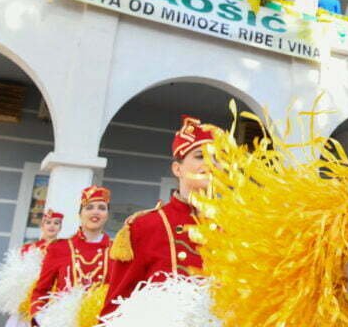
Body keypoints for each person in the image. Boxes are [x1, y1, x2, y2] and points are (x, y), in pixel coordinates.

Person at [101, 115, 215, 317]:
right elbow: (115, 308)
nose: (211, 164)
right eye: (200, 156)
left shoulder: (233, 229)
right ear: (177, 169)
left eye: (217, 158)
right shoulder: (145, 226)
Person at [29, 186, 112, 319]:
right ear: (80, 214)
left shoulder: (118, 251)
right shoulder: (60, 248)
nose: (95, 212)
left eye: (102, 208)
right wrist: (41, 318)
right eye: (89, 207)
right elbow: (40, 292)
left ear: (107, 215)